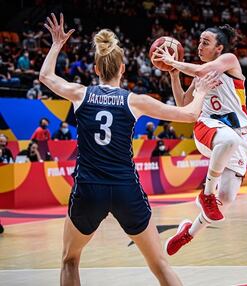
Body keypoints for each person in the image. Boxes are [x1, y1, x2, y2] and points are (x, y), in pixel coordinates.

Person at [40, 13, 220, 286]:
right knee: (160, 264)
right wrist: (202, 91)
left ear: (97, 69)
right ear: (122, 69)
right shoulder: (135, 101)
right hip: (126, 189)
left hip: (89, 188)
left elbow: (45, 76)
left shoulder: (79, 93)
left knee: (69, 259)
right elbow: (189, 114)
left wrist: (56, 44)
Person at [154, 24, 247, 256]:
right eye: (199, 41)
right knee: (227, 140)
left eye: (205, 42)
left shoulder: (229, 60)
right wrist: (174, 76)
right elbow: (183, 106)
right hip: (208, 129)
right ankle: (207, 192)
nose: (199, 46)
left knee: (225, 201)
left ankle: (188, 232)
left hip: (239, 135)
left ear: (219, 48)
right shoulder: (198, 75)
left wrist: (174, 64)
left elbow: (201, 71)